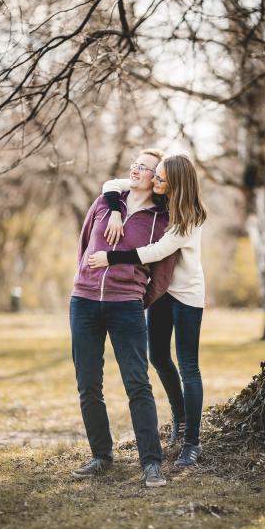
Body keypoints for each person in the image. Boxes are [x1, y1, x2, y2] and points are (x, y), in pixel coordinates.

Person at [88, 154, 207, 468]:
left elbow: (156, 251)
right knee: (157, 355)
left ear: (175, 184)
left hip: (187, 298)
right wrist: (115, 210)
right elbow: (111, 184)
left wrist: (111, 259)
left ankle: (192, 442)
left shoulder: (190, 218)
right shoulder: (163, 199)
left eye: (161, 178)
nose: (154, 181)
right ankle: (179, 418)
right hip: (162, 293)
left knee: (189, 366)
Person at [70, 148, 177, 488]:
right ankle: (101, 456)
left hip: (126, 306)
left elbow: (162, 273)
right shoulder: (105, 203)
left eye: (145, 167)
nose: (136, 169)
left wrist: (136, 298)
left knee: (138, 384)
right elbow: (85, 243)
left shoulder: (162, 221)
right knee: (88, 384)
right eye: (135, 163)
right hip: (84, 302)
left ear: (156, 178)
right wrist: (81, 282)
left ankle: (151, 463)